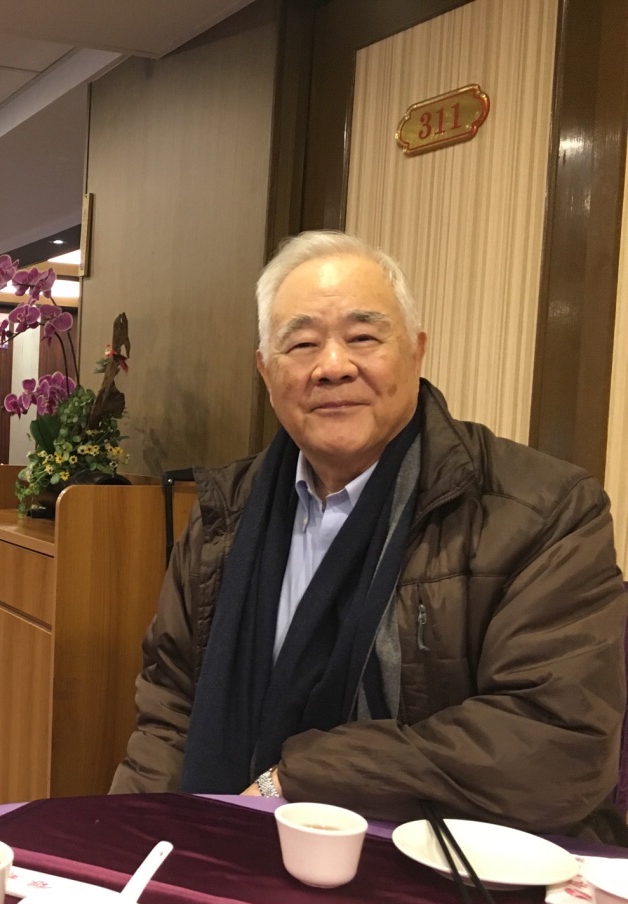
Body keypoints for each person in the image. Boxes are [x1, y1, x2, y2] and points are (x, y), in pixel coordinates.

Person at [111, 230, 628, 843]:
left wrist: (301, 779)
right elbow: (171, 711)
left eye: (363, 338)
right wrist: (126, 844)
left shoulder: (542, 511)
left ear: (416, 351)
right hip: (222, 850)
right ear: (266, 371)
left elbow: (557, 742)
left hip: (445, 870)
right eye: (302, 343)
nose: (333, 366)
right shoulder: (224, 514)